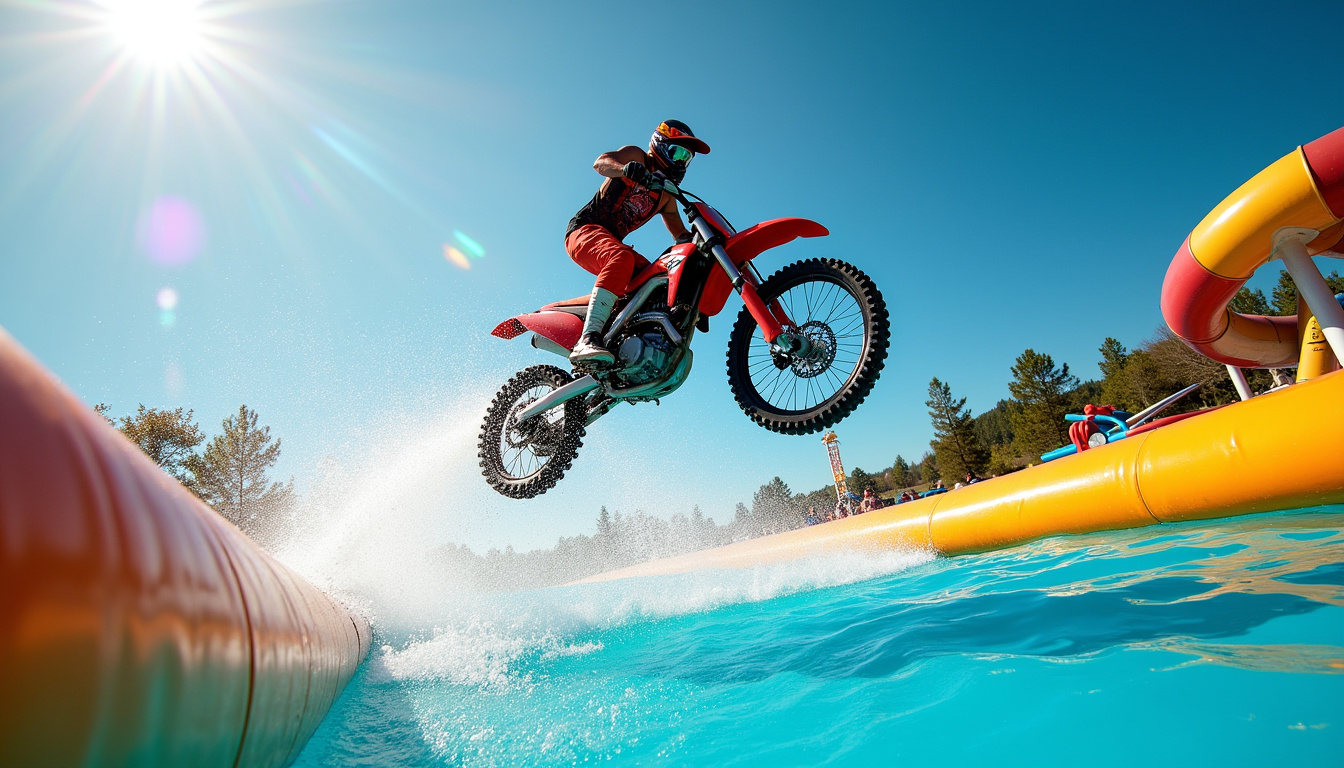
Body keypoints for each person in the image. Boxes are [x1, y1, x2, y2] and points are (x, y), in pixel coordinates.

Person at [565, 120, 712, 366]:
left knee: (657, 278)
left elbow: (681, 235)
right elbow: (600, 163)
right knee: (621, 257)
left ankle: (621, 340)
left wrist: (703, 247)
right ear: (660, 144)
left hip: (612, 243)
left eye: (686, 158)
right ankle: (587, 338)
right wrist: (624, 170)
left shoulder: (666, 195)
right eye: (677, 152)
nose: (680, 162)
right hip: (584, 231)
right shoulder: (638, 157)